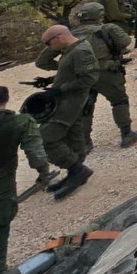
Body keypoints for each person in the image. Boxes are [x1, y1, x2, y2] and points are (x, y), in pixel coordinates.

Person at [0, 85, 54, 274]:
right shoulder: (21, 122)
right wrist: (43, 173)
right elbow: (36, 154)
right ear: (5, 101)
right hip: (0, 188)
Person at [39, 4, 137, 149]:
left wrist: (68, 67)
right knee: (119, 101)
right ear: (100, 15)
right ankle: (126, 134)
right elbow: (125, 42)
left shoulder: (68, 34)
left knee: (86, 107)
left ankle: (85, 142)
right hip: (107, 73)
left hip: (81, 76)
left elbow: (42, 61)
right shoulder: (108, 28)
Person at [33, 25, 99, 200]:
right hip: (68, 100)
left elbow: (89, 78)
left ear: (59, 38)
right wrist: (50, 81)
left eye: (49, 44)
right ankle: (75, 173)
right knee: (73, 135)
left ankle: (77, 169)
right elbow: (68, 71)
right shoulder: (70, 50)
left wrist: (60, 89)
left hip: (70, 102)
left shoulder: (80, 51)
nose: (48, 48)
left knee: (46, 138)